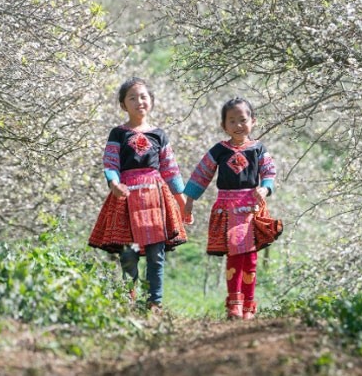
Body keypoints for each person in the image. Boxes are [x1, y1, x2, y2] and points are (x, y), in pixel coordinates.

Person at [88, 77, 189, 313]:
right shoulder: (118, 134)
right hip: (125, 200)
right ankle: (128, 302)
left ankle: (155, 302)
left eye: (143, 97)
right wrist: (114, 183)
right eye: (132, 98)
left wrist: (182, 200)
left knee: (156, 255)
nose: (139, 101)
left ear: (151, 101)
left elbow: (171, 170)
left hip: (156, 200)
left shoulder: (159, 135)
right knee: (129, 256)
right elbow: (110, 162)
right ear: (123, 105)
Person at [183, 97, 277, 320]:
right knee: (235, 254)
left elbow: (270, 172)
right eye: (232, 121)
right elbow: (202, 174)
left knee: (251, 258)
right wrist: (189, 202)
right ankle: (234, 305)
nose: (238, 125)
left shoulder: (258, 149)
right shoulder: (219, 150)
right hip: (228, 208)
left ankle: (248, 307)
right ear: (224, 126)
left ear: (253, 121)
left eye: (242, 120)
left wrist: (265, 189)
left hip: (253, 207)